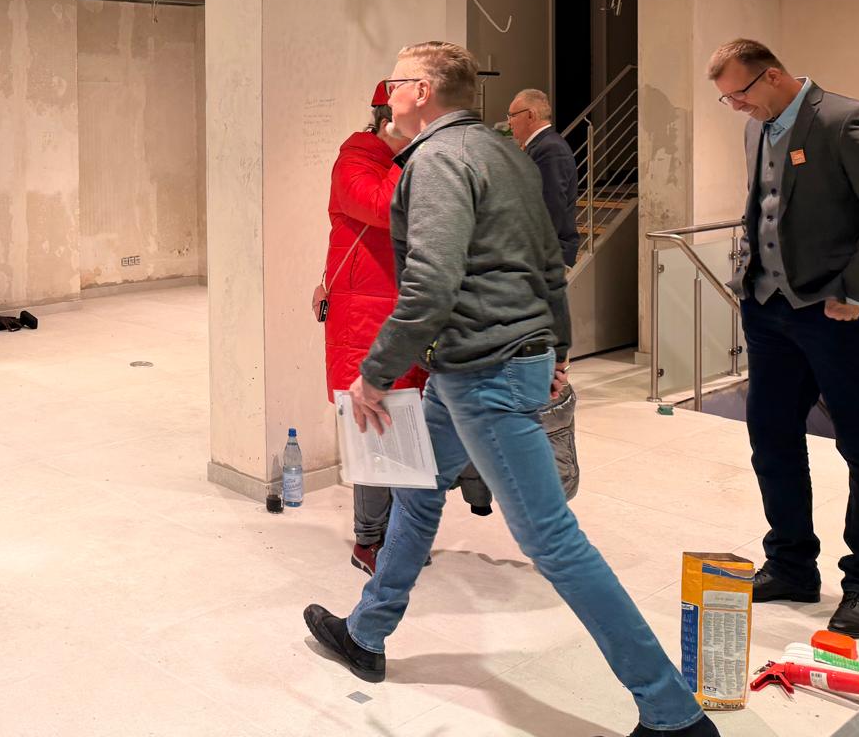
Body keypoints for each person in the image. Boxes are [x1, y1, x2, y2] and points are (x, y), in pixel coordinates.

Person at [303, 41, 714, 737]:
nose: (388, 92)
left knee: (554, 542)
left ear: (423, 91)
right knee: (419, 491)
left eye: (397, 81)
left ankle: (672, 713)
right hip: (479, 363)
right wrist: (559, 344)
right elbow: (550, 257)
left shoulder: (436, 161)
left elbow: (431, 284)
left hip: (482, 370)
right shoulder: (504, 153)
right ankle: (367, 633)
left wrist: (375, 373)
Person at [708, 38, 859, 638]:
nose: (736, 107)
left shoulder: (845, 120)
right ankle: (791, 564)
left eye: (739, 94)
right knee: (771, 437)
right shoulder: (755, 128)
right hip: (770, 311)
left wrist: (857, 290)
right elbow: (768, 210)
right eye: (726, 99)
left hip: (841, 316)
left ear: (773, 76)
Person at [314, 81, 426, 574]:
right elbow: (383, 208)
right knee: (375, 431)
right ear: (386, 121)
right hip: (365, 320)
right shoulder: (355, 161)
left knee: (406, 432)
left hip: (401, 313)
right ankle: (369, 541)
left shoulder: (403, 161)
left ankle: (401, 538)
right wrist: (411, 154)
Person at [506, 88, 581, 267]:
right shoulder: (539, 146)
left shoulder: (550, 148)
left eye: (512, 115)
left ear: (530, 115)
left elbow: (551, 207)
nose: (509, 122)